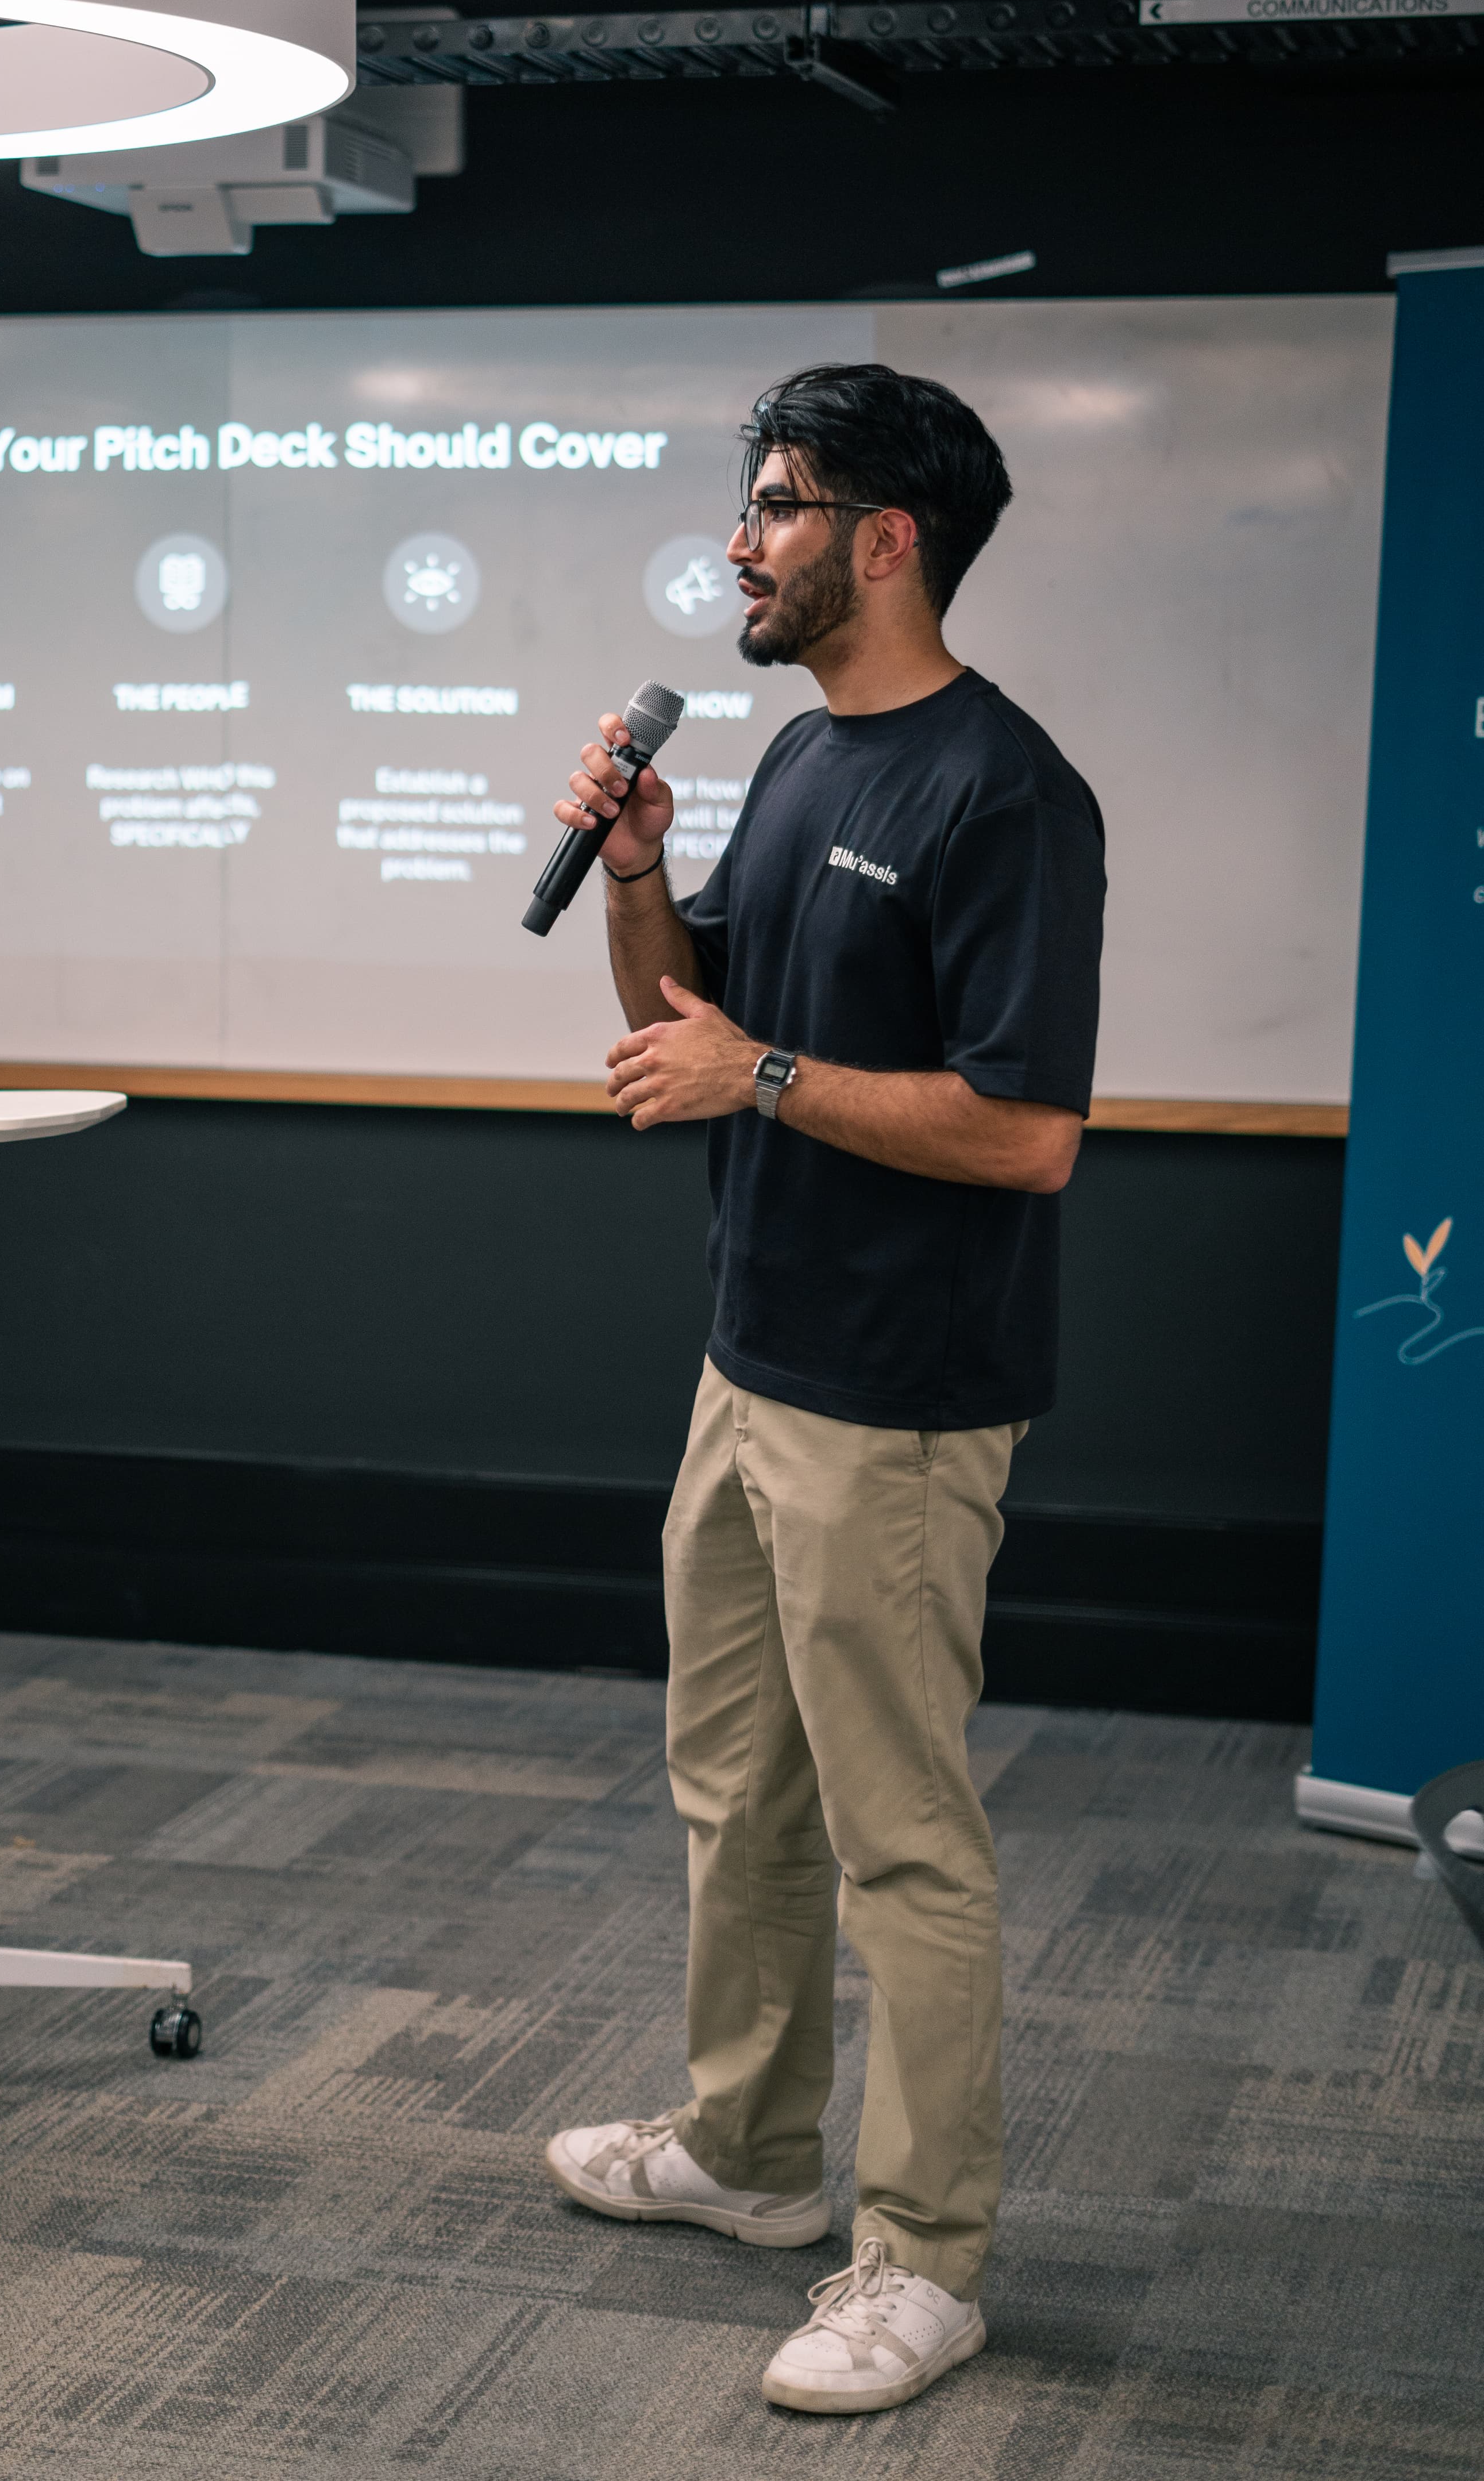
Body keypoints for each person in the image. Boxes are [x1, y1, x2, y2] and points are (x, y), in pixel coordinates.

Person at [541, 360, 1104, 2418]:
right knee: (737, 1794)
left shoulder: (1005, 793)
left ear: (886, 540)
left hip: (901, 1405)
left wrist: (757, 1071)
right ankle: (751, 2152)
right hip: (748, 1360)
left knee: (902, 1844)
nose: (740, 540)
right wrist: (638, 873)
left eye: (776, 504)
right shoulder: (793, 758)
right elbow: (679, 1032)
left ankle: (924, 2261)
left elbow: (1027, 1132)